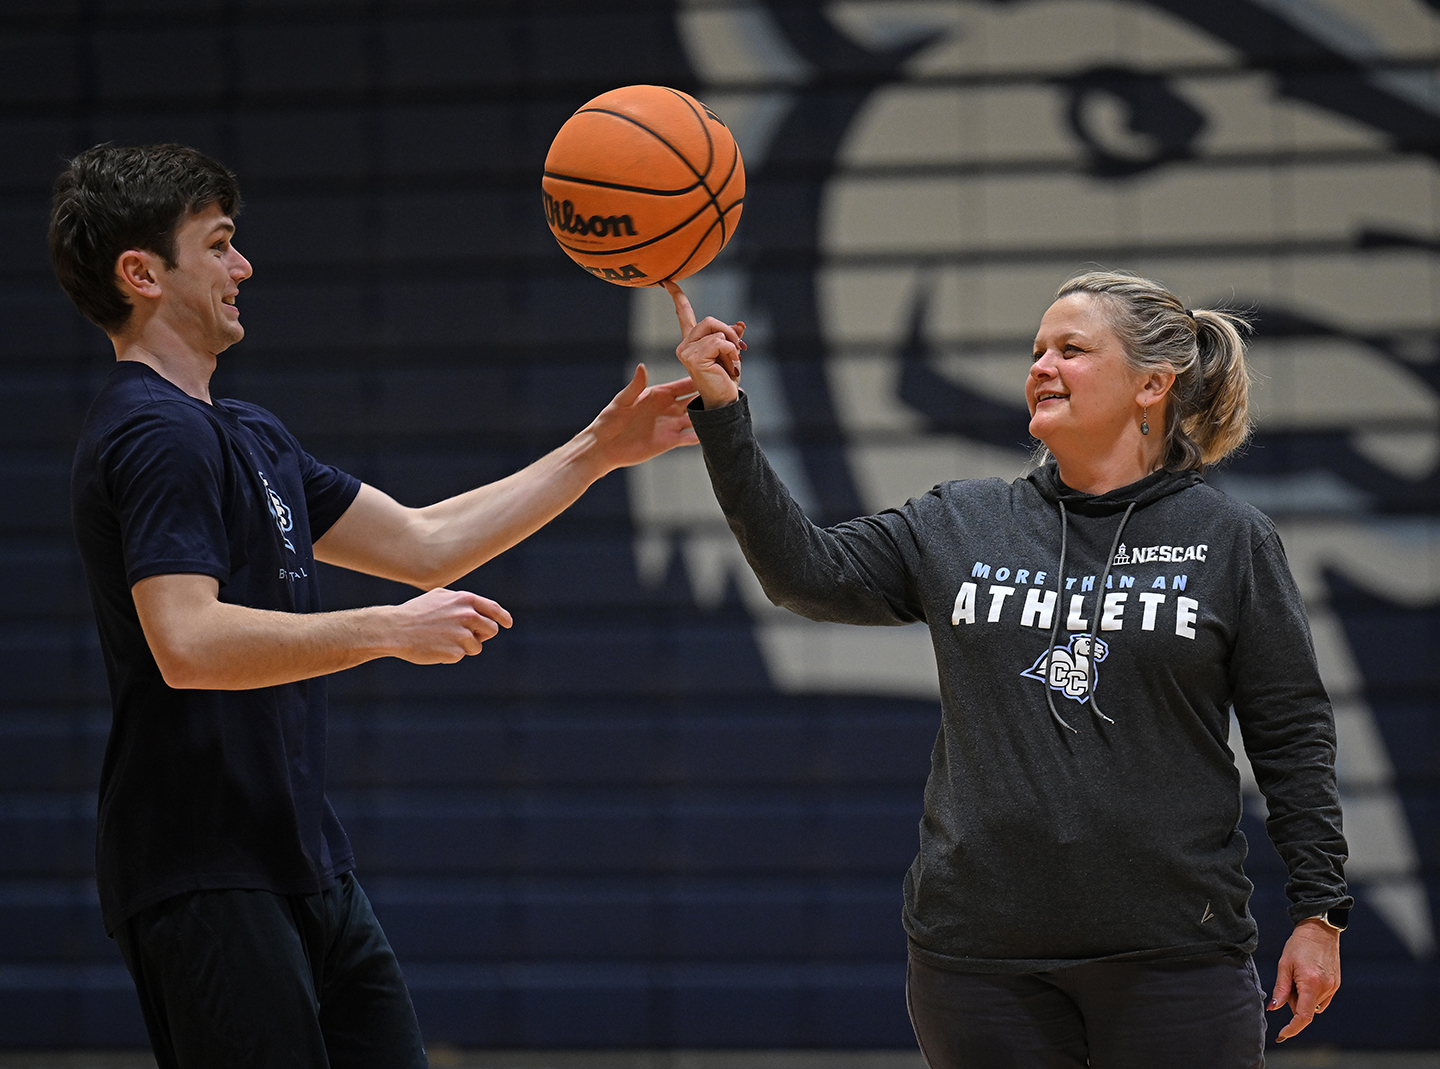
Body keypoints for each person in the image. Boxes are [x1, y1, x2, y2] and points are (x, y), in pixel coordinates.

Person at [51, 142, 699, 1068]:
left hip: (304, 857)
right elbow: (185, 641)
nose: (243, 267)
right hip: (202, 865)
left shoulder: (245, 432)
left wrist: (599, 448)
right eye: (220, 244)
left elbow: (426, 542)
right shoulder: (152, 433)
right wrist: (388, 631)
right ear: (141, 273)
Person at [663, 271, 1348, 1068]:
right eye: (1035, 350)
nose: (1040, 367)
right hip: (979, 963)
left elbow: (1293, 733)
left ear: (1152, 386)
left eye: (1071, 349)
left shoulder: (1230, 540)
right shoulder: (960, 519)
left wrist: (1319, 909)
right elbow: (803, 573)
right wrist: (722, 412)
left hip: (1172, 955)